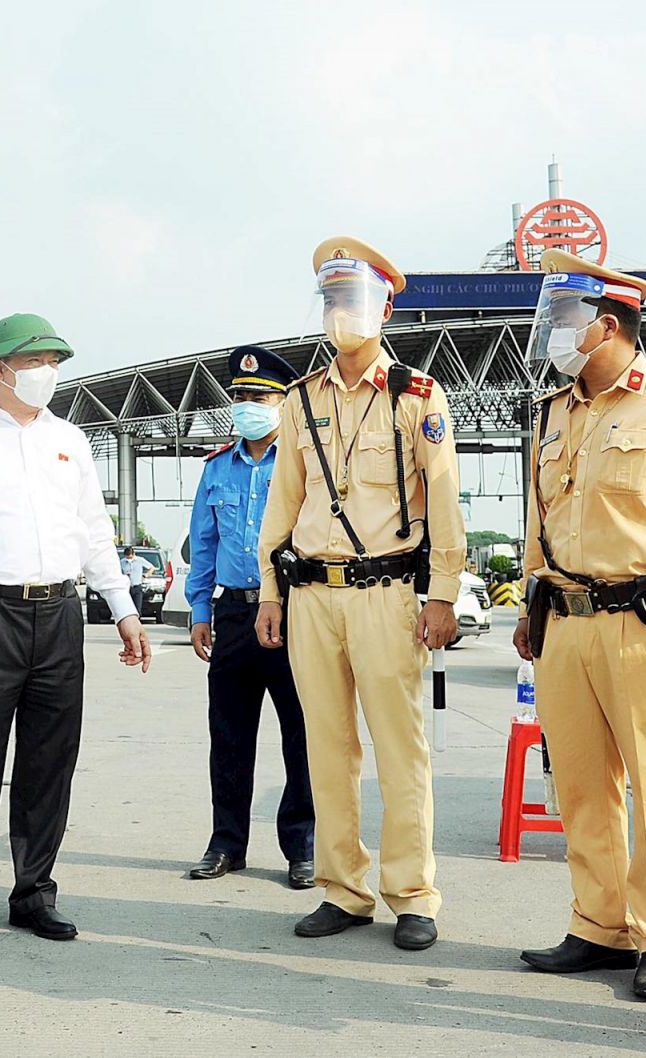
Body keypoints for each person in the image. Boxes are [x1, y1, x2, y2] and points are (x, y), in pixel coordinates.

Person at [512, 249, 646, 1001]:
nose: (552, 334)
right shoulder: (552, 410)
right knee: (579, 787)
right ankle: (600, 926)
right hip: (565, 620)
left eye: (563, 321)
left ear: (606, 325)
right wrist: (530, 601)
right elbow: (543, 515)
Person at [0, 312, 152, 946]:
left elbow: (94, 533)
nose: (48, 373)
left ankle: (35, 892)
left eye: (54, 363)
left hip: (60, 613)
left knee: (50, 762)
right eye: (36, 361)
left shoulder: (69, 440)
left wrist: (123, 609)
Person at [255, 237, 465, 952]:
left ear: (383, 307)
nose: (341, 312)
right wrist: (270, 591)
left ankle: (413, 893)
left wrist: (442, 594)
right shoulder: (299, 401)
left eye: (353, 299)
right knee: (328, 747)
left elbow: (443, 503)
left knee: (400, 747)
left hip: (386, 592)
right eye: (332, 299)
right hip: (312, 592)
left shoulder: (418, 396)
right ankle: (343, 888)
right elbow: (283, 503)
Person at [185, 345, 315, 887]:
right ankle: (227, 843)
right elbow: (204, 542)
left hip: (297, 614)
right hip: (234, 614)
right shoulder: (217, 468)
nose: (248, 405)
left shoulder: (305, 462)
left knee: (301, 736)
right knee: (230, 736)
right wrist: (198, 609)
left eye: (259, 396)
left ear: (283, 404)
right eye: (240, 397)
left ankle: (302, 846)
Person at [121, 545, 153, 617]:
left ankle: (137, 621)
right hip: (127, 588)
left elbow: (151, 568)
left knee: (137, 608)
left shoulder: (140, 560)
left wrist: (145, 575)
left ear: (133, 554)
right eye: (127, 557)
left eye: (130, 557)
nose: (129, 559)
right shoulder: (122, 562)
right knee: (127, 608)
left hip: (137, 587)